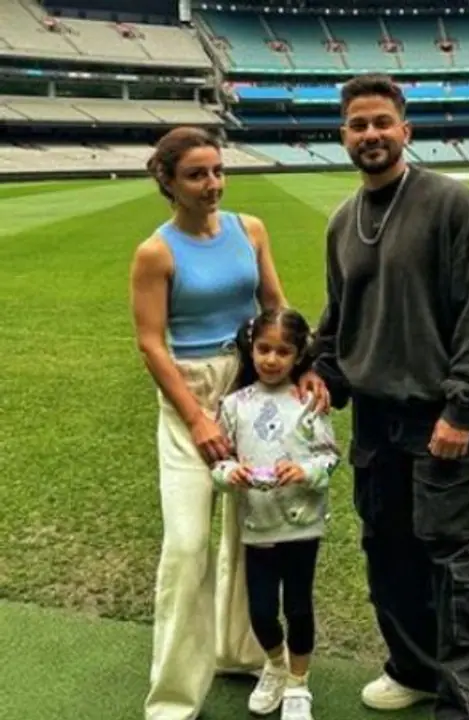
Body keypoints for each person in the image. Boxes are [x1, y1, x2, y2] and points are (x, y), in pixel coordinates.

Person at [310, 73, 469, 720]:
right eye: (357, 125)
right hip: (373, 420)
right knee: (387, 551)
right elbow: (340, 317)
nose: (370, 134)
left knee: (455, 561)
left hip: (436, 416)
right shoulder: (343, 222)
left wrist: (464, 407)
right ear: (343, 136)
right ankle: (414, 669)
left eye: (381, 122)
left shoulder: (450, 203)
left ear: (406, 131)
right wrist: (322, 374)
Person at [128, 125, 331, 720]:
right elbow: (151, 344)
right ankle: (171, 697)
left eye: (217, 170)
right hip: (190, 392)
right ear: (168, 181)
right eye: (196, 174)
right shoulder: (156, 252)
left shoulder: (251, 229)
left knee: (254, 533)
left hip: (251, 384)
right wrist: (196, 418)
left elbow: (275, 307)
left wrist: (306, 367)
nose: (212, 184)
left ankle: (244, 654)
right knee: (188, 545)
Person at [212, 308, 342, 720]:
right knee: (263, 610)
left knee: (299, 607)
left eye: (282, 352)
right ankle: (275, 664)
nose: (270, 359)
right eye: (263, 349)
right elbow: (218, 463)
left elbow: (330, 458)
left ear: (298, 355)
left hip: (302, 525)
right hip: (256, 525)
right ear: (250, 349)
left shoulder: (309, 400)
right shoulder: (233, 404)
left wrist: (304, 471)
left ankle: (299, 684)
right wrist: (232, 473)